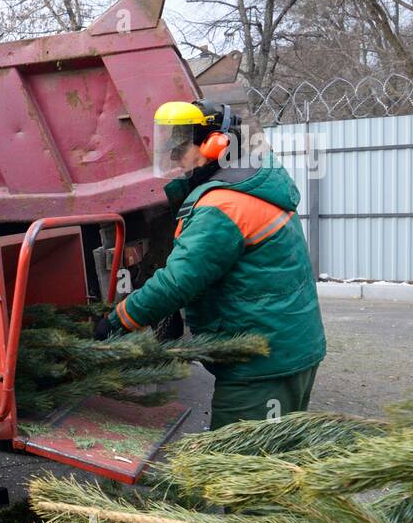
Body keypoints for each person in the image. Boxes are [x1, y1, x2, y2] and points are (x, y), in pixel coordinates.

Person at [95, 99, 326, 429]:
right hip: (285, 350)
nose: (174, 155)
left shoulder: (223, 205)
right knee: (275, 458)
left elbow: (178, 281)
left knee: (237, 467)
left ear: (217, 143)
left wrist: (114, 323)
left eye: (181, 144)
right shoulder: (252, 182)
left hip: (262, 364)